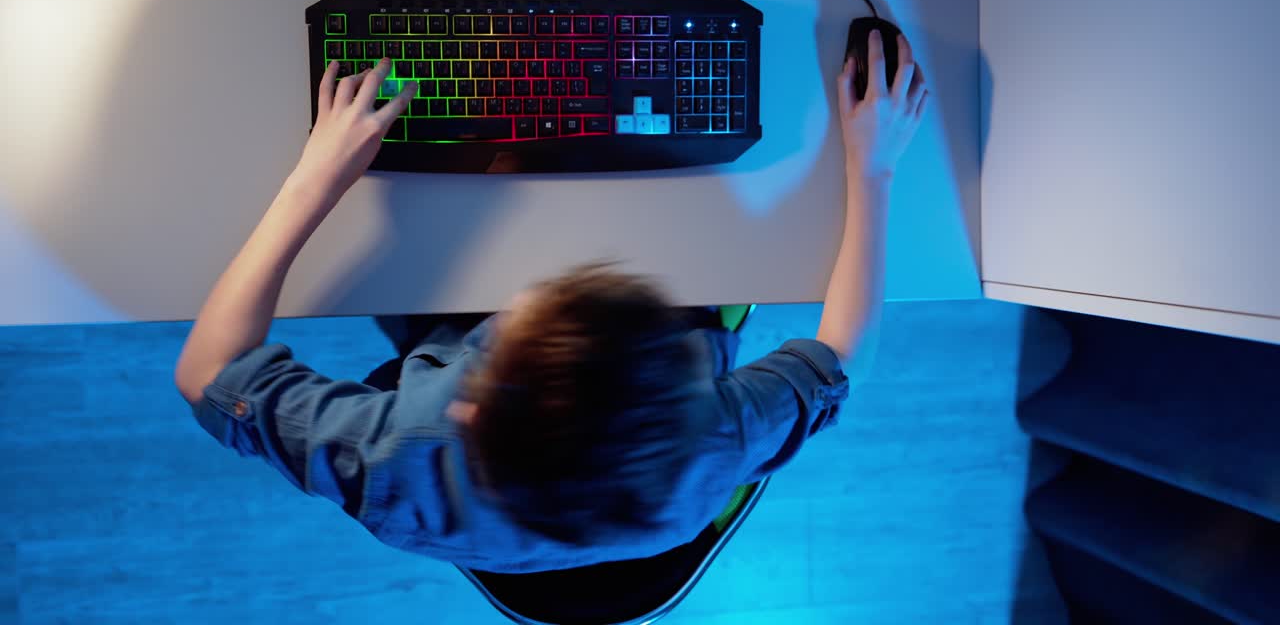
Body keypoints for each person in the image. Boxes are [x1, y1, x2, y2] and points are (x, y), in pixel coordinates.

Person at [175, 29, 928, 574]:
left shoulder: (397, 455)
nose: (529, 285)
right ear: (679, 386)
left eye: (518, 319)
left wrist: (315, 181)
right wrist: (876, 166)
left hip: (449, 361)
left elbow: (206, 372)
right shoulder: (706, 438)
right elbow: (843, 358)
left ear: (467, 409)